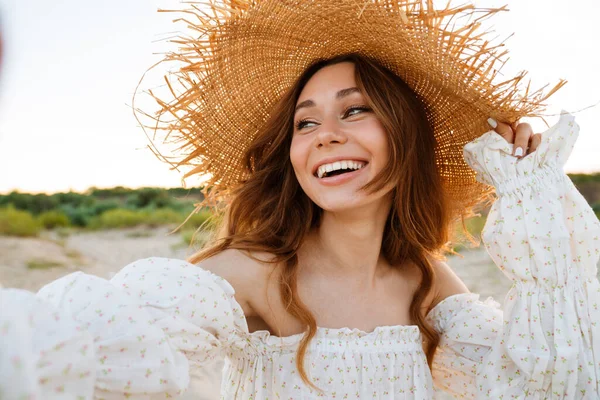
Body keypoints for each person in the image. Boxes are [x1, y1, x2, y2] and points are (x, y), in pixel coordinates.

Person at [1, 1, 599, 399]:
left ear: (405, 134)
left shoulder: (429, 281)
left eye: (356, 109)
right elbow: (96, 344)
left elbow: (545, 379)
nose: (325, 135)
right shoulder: (252, 273)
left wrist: (531, 191)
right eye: (304, 123)